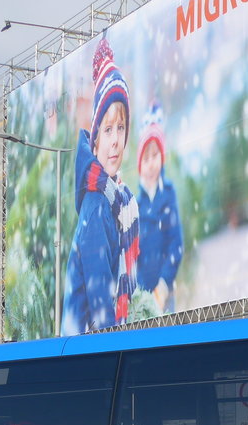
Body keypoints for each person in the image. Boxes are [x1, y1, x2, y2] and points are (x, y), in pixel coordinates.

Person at [62, 35, 140, 335]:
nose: (115, 140)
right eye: (107, 129)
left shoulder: (119, 199)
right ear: (94, 139)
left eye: (121, 128)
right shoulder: (97, 204)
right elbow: (100, 309)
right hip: (82, 355)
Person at [135, 103, 183, 315]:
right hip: (142, 290)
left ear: (162, 158)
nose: (151, 163)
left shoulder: (168, 194)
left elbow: (176, 244)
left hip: (164, 289)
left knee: (166, 332)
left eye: (155, 156)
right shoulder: (136, 204)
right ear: (139, 165)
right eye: (146, 158)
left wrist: (163, 284)